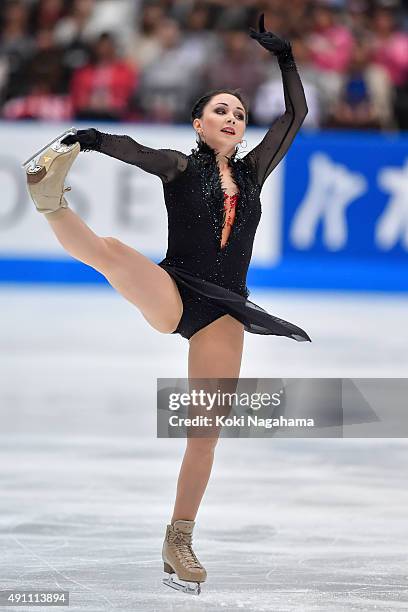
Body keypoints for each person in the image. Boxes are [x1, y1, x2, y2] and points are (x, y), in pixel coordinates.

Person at [24, 14, 310, 595]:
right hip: (175, 290)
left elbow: (294, 117)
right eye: (220, 111)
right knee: (114, 251)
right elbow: (133, 149)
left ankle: (178, 538)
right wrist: (89, 138)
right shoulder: (180, 166)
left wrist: (284, 59)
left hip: (227, 309)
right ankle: (51, 200)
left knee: (206, 431)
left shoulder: (255, 171)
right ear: (199, 124)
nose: (232, 118)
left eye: (238, 112)